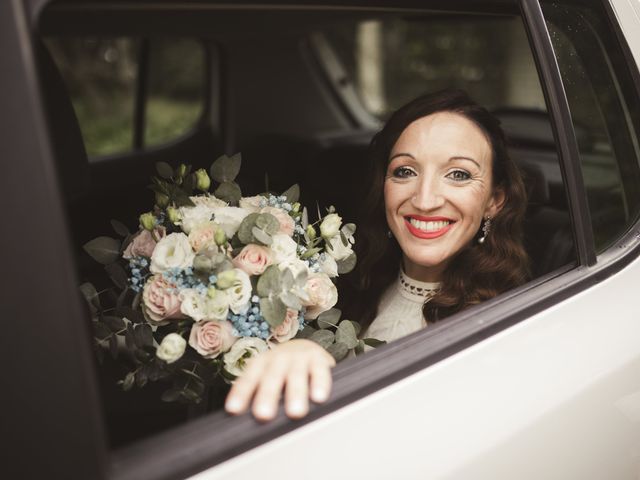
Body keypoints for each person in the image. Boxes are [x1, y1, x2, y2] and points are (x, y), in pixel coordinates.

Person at [224, 88, 529, 421]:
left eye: (458, 175)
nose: (425, 200)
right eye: (404, 171)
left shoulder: (504, 332)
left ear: (494, 201)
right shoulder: (344, 288)